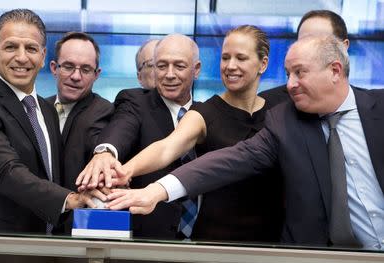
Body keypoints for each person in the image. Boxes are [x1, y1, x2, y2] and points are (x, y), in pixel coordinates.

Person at [106, 34, 384, 250]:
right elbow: (227, 162)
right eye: (288, 74)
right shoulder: (286, 121)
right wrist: (156, 190)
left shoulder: (378, 109)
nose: (289, 84)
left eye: (300, 73)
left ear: (335, 70)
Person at [106, 25, 283, 242]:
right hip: (215, 240)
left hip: (271, 240)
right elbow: (166, 147)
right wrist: (125, 170)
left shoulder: (278, 112)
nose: (230, 66)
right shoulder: (205, 112)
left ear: (263, 64)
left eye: (240, 58)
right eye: (225, 58)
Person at [0, 9, 96, 234]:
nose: (21, 57)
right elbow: (6, 172)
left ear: (42, 57)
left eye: (31, 48)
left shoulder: (47, 109)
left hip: (43, 245)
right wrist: (69, 199)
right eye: (11, 47)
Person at [76, 33, 201, 239]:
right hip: (146, 240)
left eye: (179, 66)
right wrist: (106, 152)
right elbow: (121, 127)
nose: (169, 74)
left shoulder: (206, 113)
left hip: (203, 240)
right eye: (161, 66)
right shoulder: (135, 102)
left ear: (196, 69)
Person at [47, 32, 113, 192]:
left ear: (96, 75)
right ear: (54, 68)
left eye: (86, 69)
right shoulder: (38, 109)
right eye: (68, 67)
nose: (76, 76)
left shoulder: (108, 113)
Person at [259, 9, 350, 104]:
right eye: (303, 42)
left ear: (343, 47)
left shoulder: (364, 103)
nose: (308, 49)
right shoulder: (270, 103)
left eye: (319, 43)